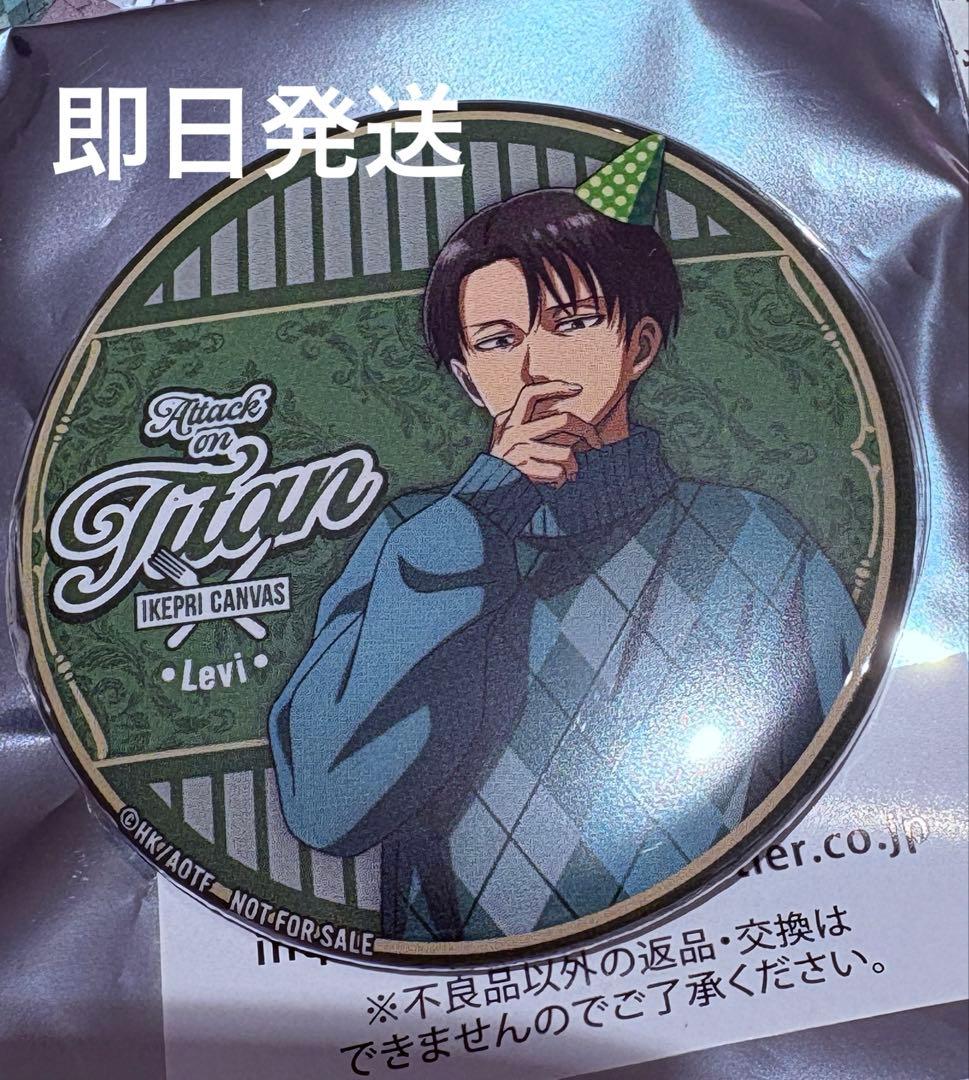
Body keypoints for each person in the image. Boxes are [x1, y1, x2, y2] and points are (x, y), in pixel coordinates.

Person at [268, 136, 863, 942]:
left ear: (638, 346)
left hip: (713, 951)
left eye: (572, 322)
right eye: (497, 340)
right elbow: (324, 807)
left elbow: (852, 773)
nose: (536, 364)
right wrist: (477, 517)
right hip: (467, 987)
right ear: (466, 376)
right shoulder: (412, 540)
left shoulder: (755, 539)